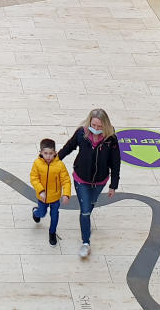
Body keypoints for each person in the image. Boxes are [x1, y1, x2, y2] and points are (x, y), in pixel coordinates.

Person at [58, 108, 121, 258]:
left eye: (100, 126)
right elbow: (68, 147)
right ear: (89, 122)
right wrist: (54, 160)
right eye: (94, 125)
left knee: (91, 204)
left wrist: (113, 185)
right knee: (85, 211)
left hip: (100, 181)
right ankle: (86, 242)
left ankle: (85, 225)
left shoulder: (111, 140)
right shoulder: (82, 133)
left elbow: (115, 163)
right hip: (81, 179)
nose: (97, 129)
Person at [30, 138, 71, 247]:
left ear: (55, 153)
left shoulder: (60, 165)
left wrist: (66, 194)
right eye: (45, 153)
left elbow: (66, 180)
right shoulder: (37, 164)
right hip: (42, 197)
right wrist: (41, 190)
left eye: (51, 153)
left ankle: (52, 232)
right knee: (42, 213)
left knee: (54, 215)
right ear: (41, 153)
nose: (48, 156)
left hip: (55, 197)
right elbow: (34, 178)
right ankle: (36, 212)